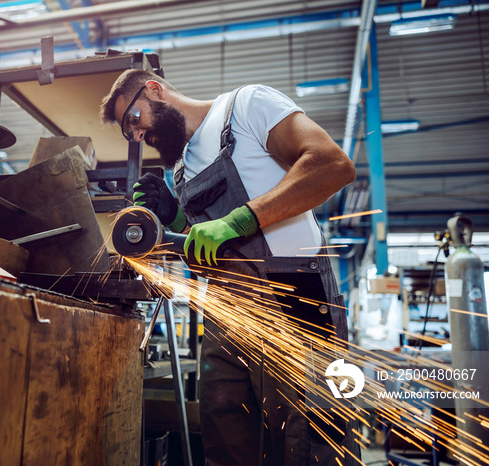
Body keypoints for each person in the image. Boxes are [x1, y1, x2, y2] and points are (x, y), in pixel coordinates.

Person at [100, 70, 360, 466]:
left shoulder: (246, 107)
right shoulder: (181, 170)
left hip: (293, 295)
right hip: (227, 313)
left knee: (308, 441)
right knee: (227, 440)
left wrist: (241, 219)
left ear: (154, 90)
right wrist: (174, 222)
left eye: (134, 119)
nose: (136, 135)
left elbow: (332, 165)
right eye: (127, 132)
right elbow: (209, 247)